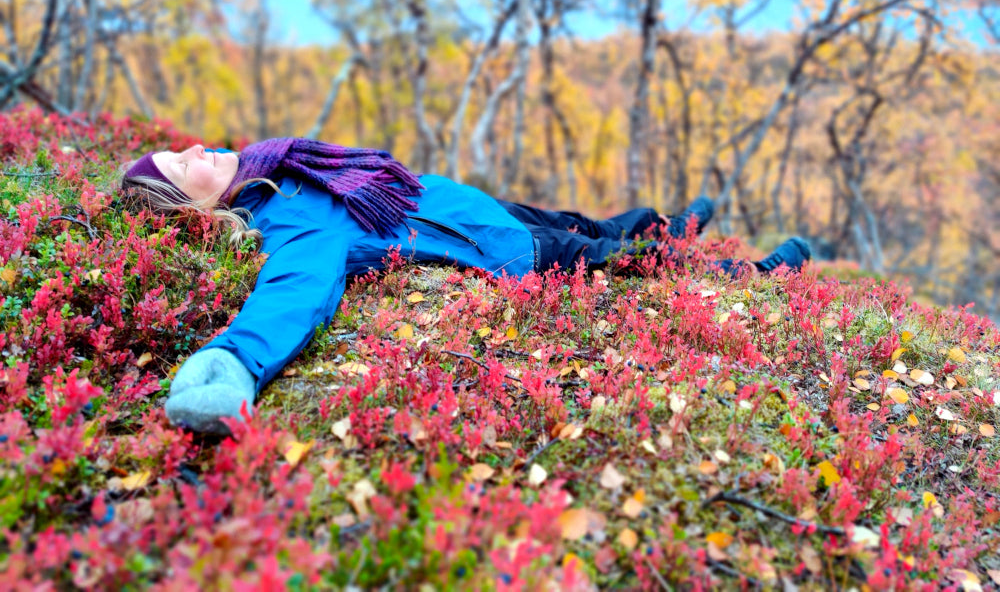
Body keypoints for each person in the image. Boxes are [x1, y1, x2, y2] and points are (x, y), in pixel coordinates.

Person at [120, 138, 810, 434]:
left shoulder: (275, 166)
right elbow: (300, 284)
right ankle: (752, 273)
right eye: (185, 167)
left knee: (597, 221)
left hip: (480, 212)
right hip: (499, 249)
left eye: (183, 150)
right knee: (615, 258)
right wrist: (236, 360)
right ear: (196, 208)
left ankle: (677, 224)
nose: (198, 150)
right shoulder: (287, 212)